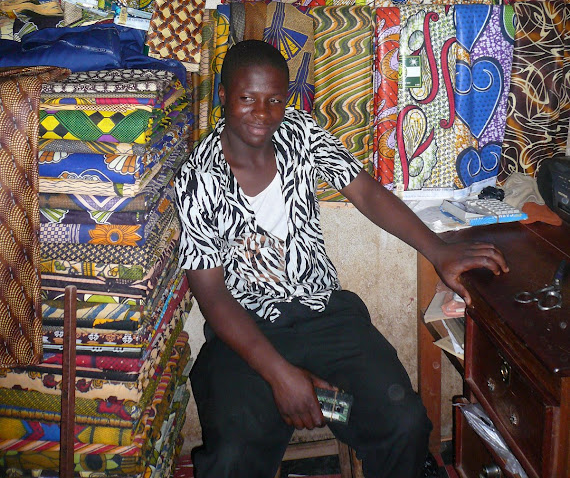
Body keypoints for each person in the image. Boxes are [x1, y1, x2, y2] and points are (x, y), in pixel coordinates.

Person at [174, 40, 508, 478]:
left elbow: (366, 191)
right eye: (246, 99)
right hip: (246, 334)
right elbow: (213, 296)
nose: (262, 113)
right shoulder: (198, 179)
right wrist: (282, 376)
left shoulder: (299, 134)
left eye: (275, 99)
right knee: (234, 454)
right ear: (222, 96)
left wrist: (438, 249)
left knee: (402, 422)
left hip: (324, 317)